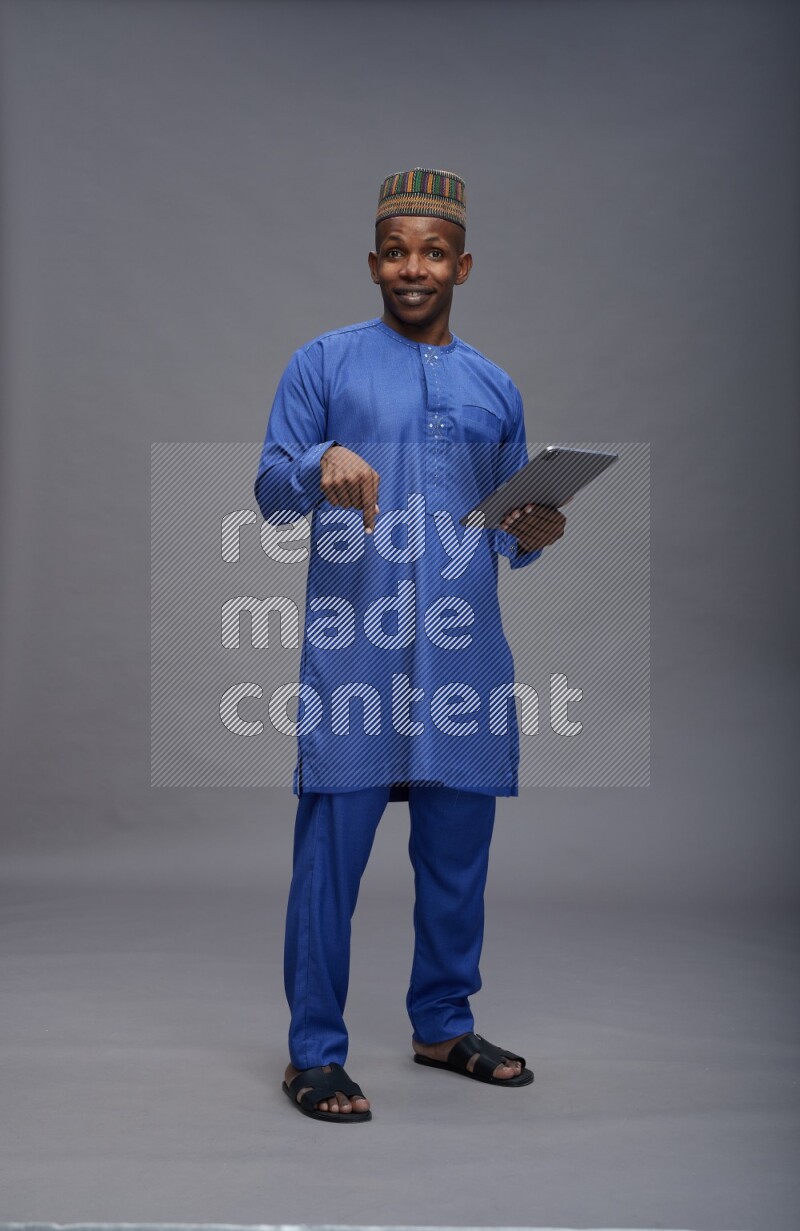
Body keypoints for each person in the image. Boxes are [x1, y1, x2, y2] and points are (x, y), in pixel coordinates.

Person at [254, 168, 566, 1122]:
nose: (413, 267)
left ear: (462, 265)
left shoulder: (493, 384)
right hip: (356, 649)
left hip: (462, 657)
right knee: (330, 863)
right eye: (396, 251)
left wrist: (535, 532)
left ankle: (441, 1023)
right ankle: (313, 1053)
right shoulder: (324, 364)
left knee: (457, 858)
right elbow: (271, 487)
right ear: (374, 262)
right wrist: (320, 461)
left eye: (432, 251)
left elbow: (508, 523)